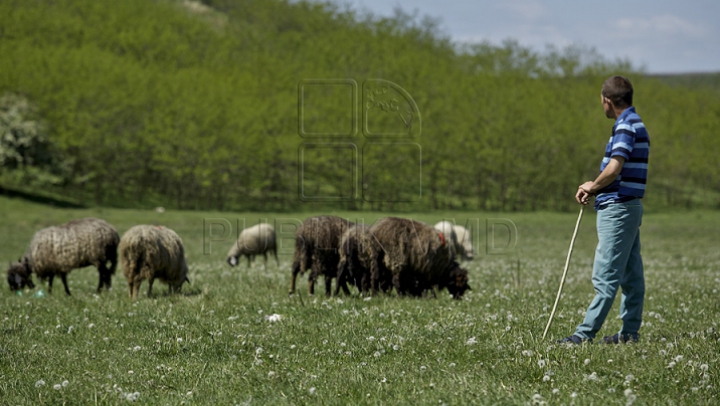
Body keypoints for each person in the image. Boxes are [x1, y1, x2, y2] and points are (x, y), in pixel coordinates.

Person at [559, 75, 650, 344]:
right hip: (629, 207)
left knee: (606, 275)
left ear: (607, 101)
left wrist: (592, 186)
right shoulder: (636, 123)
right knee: (632, 275)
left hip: (618, 208)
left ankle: (584, 335)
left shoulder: (625, 126)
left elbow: (614, 167)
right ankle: (629, 333)